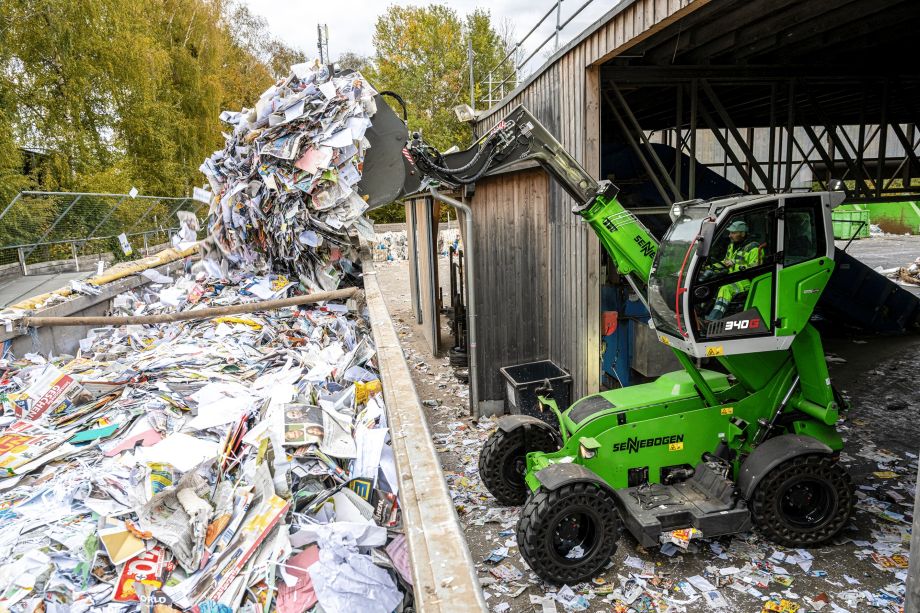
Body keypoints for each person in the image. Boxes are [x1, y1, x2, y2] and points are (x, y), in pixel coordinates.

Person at [706, 220, 763, 320]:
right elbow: (725, 262)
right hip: (733, 278)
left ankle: (713, 319)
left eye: (733, 233)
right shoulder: (732, 246)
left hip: (747, 281)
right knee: (711, 282)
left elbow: (756, 268)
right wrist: (709, 268)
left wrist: (735, 263)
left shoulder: (754, 248)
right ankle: (703, 312)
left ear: (743, 233)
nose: (730, 236)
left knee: (725, 289)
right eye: (730, 233)